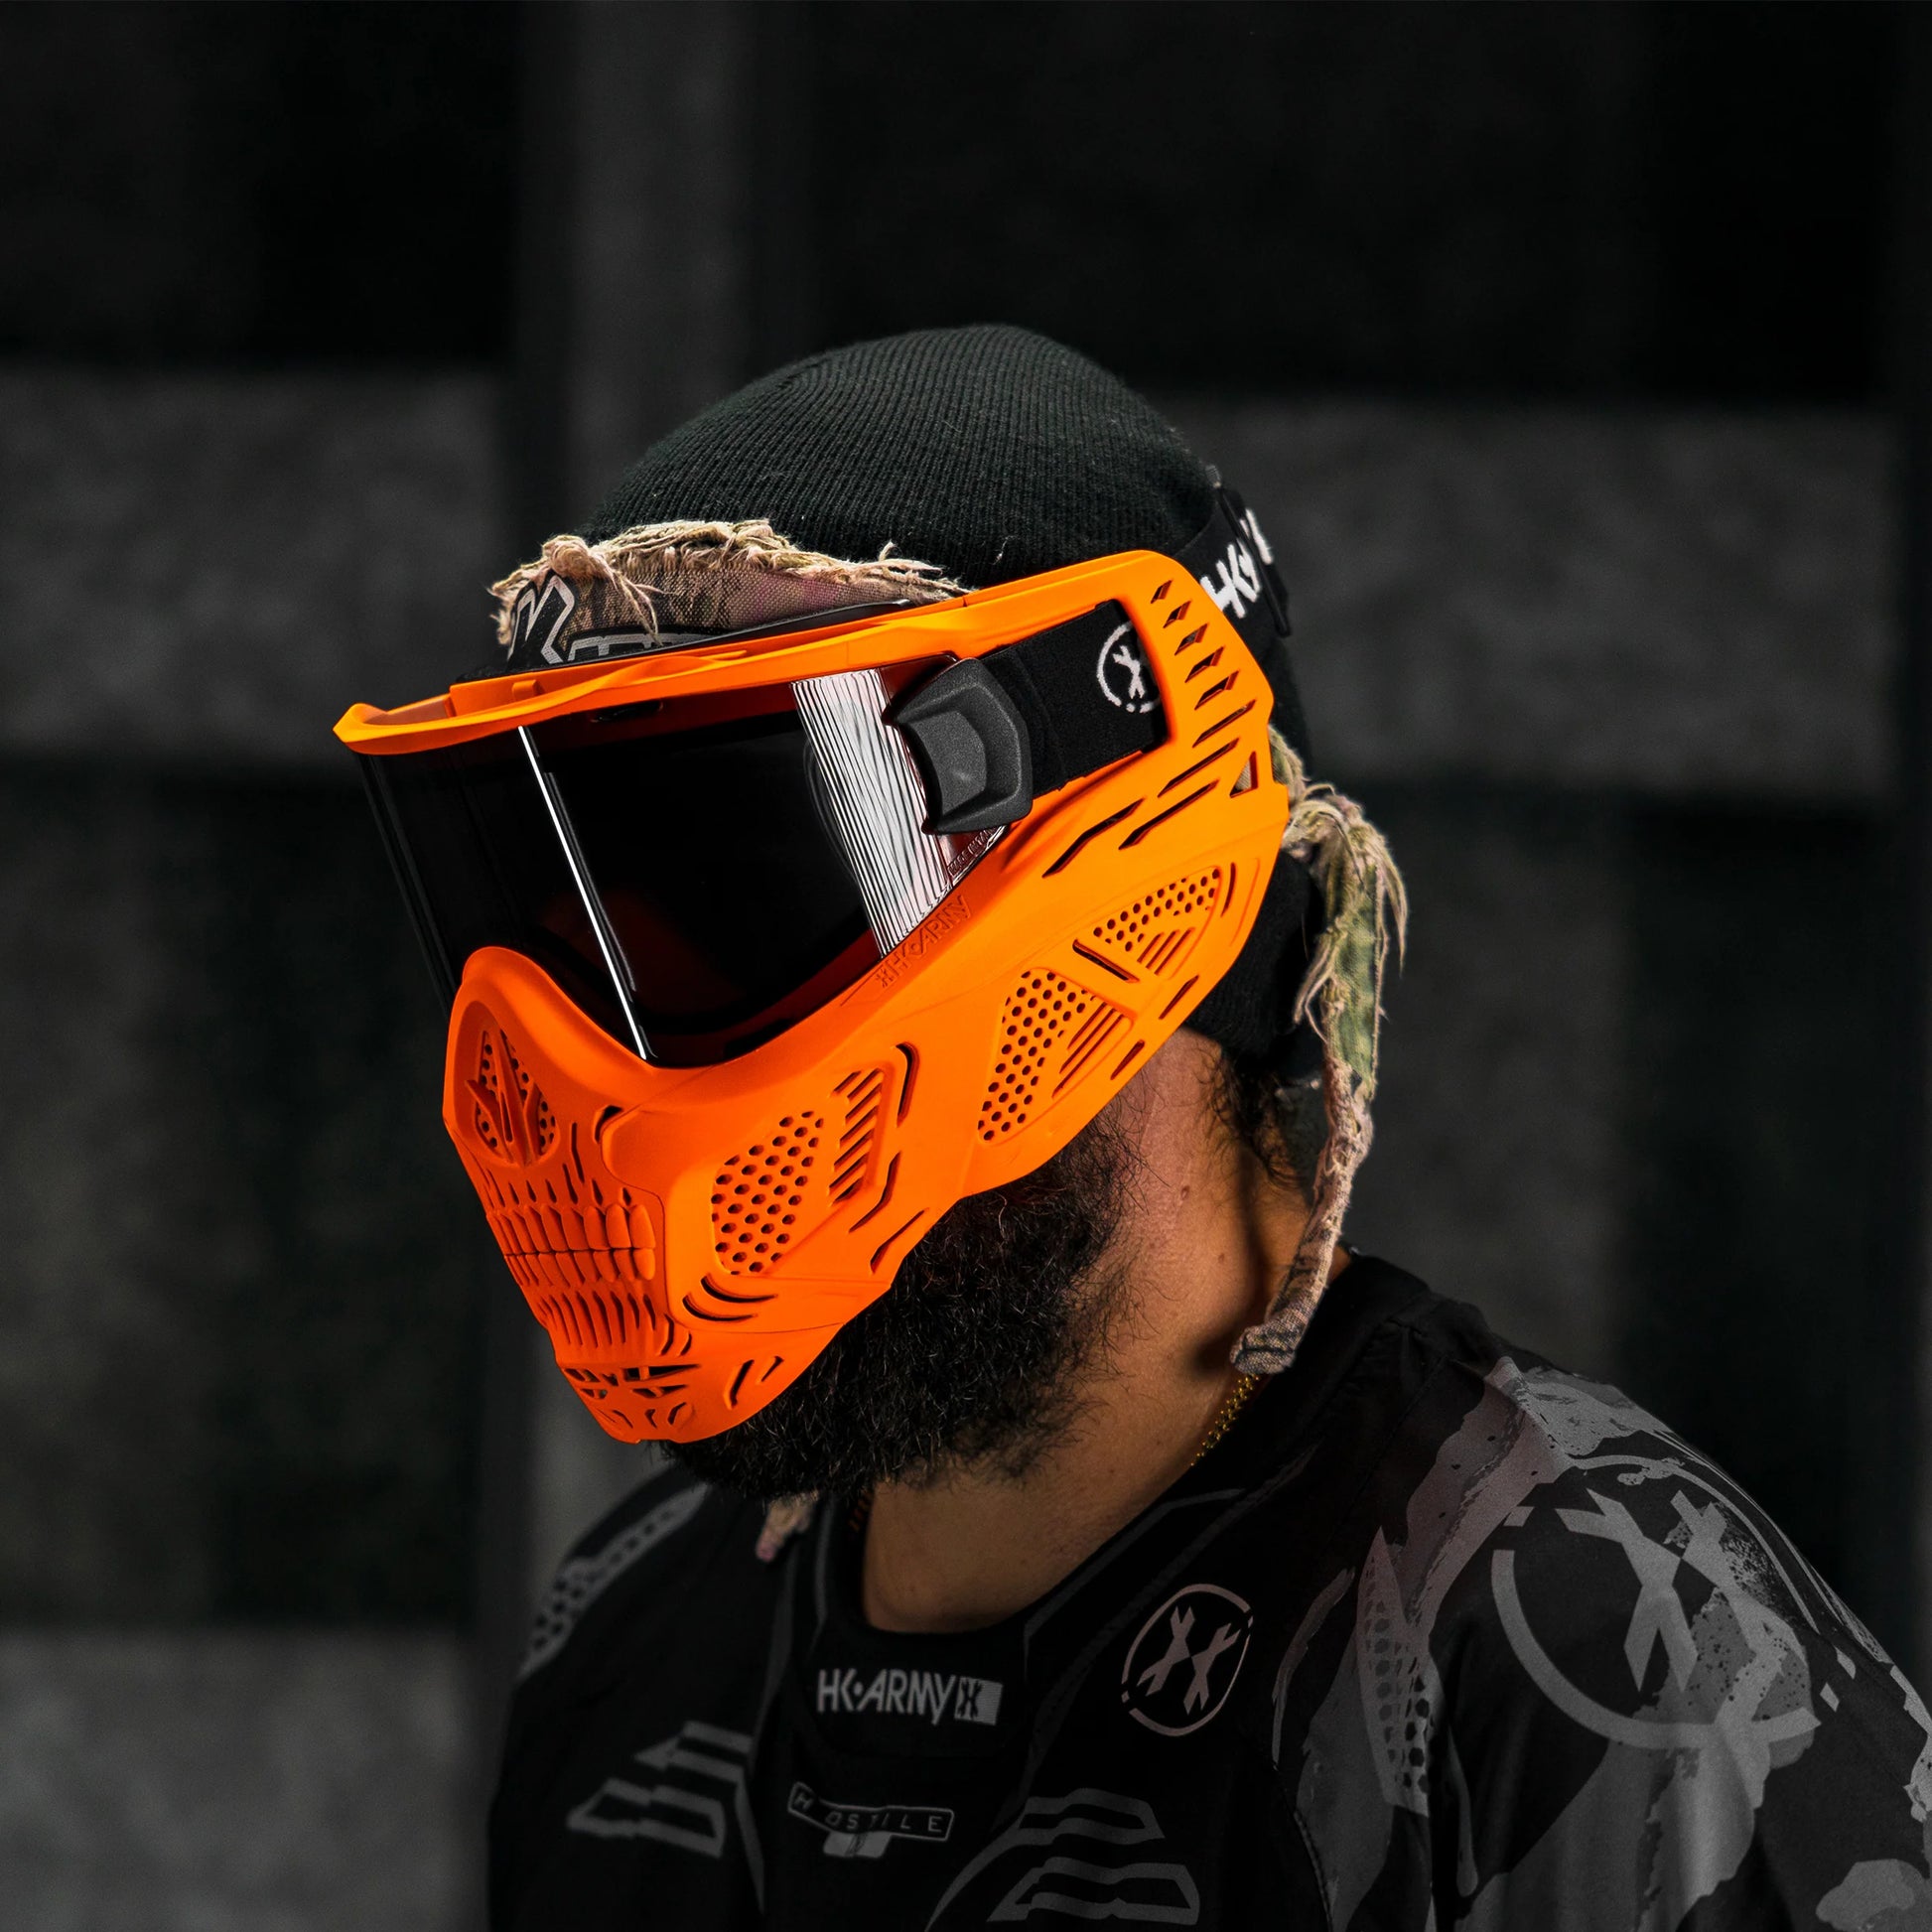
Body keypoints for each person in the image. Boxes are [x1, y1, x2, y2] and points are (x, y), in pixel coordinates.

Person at [340, 326, 1932, 1927]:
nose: (593, 1065)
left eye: (748, 888)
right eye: (575, 918)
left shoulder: (1595, 1668)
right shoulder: (632, 1648)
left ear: (1152, 906)